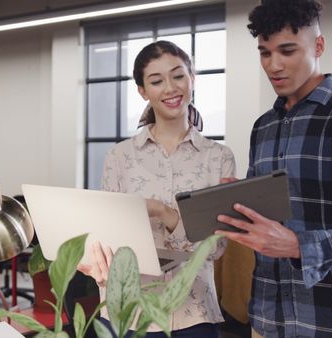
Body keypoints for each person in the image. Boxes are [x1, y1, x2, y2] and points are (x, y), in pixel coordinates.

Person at [215, 1, 332, 338]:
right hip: (266, 321)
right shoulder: (263, 127)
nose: (274, 65)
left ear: (318, 46)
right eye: (264, 53)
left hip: (330, 323)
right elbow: (272, 220)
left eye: (287, 51)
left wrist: (299, 245)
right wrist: (240, 202)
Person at [78, 40, 236, 337]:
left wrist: (163, 212)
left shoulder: (219, 158)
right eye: (156, 81)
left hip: (194, 315)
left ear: (192, 79)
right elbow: (107, 234)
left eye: (178, 76)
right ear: (142, 91)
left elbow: (216, 248)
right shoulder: (119, 157)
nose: (170, 88)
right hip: (128, 313)